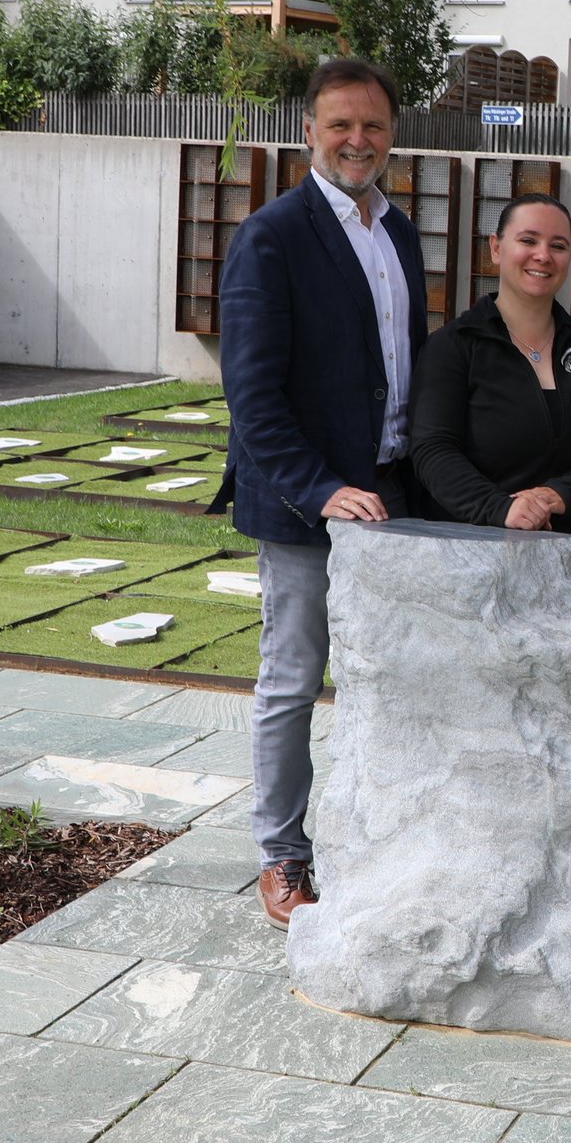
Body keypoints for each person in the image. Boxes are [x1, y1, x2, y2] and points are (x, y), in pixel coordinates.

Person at [215, 57, 426, 929]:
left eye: (373, 126)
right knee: (294, 678)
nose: (358, 140)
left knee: (384, 678)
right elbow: (252, 393)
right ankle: (281, 853)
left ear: (391, 134)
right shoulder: (272, 235)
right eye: (341, 124)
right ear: (309, 130)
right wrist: (321, 487)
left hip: (389, 500)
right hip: (308, 505)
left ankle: (371, 833)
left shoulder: (398, 230)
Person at [409, 194, 571, 620]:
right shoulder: (455, 346)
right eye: (528, 240)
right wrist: (503, 508)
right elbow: (433, 450)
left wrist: (558, 495)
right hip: (476, 574)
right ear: (496, 248)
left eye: (558, 245)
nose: (543, 256)